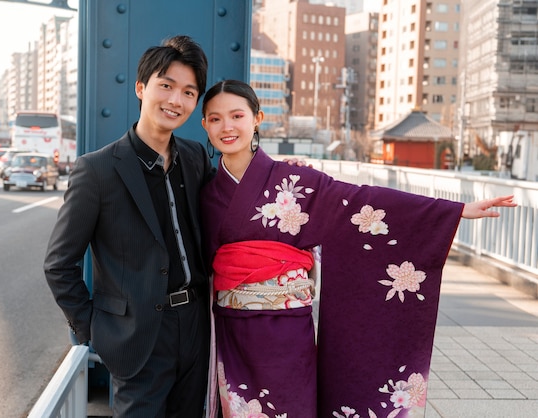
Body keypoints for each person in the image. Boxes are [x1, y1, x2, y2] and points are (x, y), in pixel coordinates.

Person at [199, 79, 517, 418]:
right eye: (215, 119)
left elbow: (362, 203)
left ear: (257, 118)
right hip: (232, 331)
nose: (227, 126)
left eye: (237, 115)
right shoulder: (205, 193)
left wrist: (453, 211)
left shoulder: (296, 183)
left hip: (287, 332)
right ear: (204, 124)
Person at [44, 35, 214, 417]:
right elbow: (59, 263)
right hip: (136, 337)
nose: (176, 100)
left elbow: (229, 203)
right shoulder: (97, 170)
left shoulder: (195, 157)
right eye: (166, 86)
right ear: (141, 88)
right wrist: (95, 331)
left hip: (194, 327)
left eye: (189, 92)